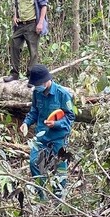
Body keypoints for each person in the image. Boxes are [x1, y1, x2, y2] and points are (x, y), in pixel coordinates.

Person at [19, 65, 75, 199]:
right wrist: (26, 123)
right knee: (35, 163)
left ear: (45, 82)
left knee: (60, 170)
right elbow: (34, 111)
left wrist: (56, 124)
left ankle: (59, 202)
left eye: (38, 85)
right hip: (41, 137)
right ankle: (42, 198)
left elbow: (70, 117)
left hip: (58, 138)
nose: (37, 87)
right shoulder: (36, 93)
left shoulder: (62, 94)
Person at [3, 0, 49, 82]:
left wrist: (40, 23)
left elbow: (44, 6)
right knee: (14, 43)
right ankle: (14, 73)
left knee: (33, 51)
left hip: (33, 24)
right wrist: (15, 16)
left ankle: (31, 77)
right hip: (20, 24)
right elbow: (15, 4)